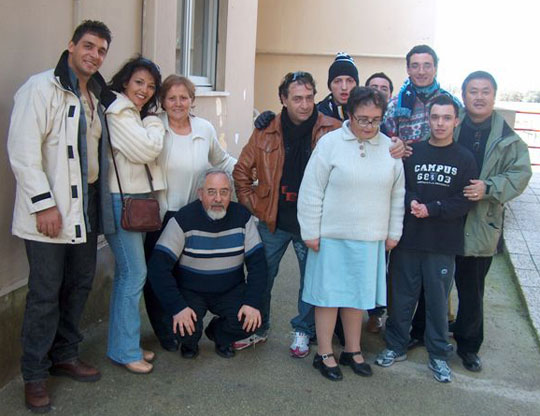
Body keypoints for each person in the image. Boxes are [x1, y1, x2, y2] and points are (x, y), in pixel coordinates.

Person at [7, 20, 114, 412]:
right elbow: (22, 152)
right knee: (44, 294)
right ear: (71, 46)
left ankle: (65, 355)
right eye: (88, 46)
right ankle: (34, 375)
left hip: (86, 206)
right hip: (50, 209)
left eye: (101, 50)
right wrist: (44, 204)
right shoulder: (41, 88)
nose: (94, 55)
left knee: (79, 285)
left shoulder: (98, 95)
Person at [297, 86, 405, 381]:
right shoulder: (330, 143)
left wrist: (393, 232)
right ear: (349, 115)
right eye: (363, 119)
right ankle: (324, 354)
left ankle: (353, 350)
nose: (370, 126)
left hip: (370, 238)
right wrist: (310, 230)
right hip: (330, 236)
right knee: (328, 297)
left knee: (357, 298)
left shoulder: (390, 149)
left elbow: (398, 195)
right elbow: (311, 189)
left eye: (376, 119)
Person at [233, 71, 341, 357]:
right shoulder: (266, 129)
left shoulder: (332, 129)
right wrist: (259, 206)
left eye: (309, 98)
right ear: (283, 99)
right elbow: (241, 172)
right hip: (274, 221)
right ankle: (258, 326)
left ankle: (303, 331)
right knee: (261, 276)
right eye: (297, 99)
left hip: (312, 223)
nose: (304, 105)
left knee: (311, 281)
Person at [375, 95, 477, 383]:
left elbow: (465, 201)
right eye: (435, 117)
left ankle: (438, 355)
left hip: (442, 245)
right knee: (401, 299)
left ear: (456, 121)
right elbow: (400, 187)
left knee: (436, 302)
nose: (440, 123)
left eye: (447, 118)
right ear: (427, 119)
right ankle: (395, 346)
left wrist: (432, 209)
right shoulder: (413, 153)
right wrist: (412, 203)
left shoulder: (465, 158)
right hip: (408, 241)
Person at [143, 75, 236, 352]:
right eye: (171, 98)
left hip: (193, 217)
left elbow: (223, 160)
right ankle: (163, 330)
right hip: (159, 216)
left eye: (183, 98)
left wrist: (247, 173)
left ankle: (183, 326)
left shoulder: (204, 129)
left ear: (192, 101)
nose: (178, 103)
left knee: (186, 276)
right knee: (158, 276)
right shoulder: (154, 126)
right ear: (162, 101)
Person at [452, 71, 532, 372]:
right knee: (435, 283)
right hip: (445, 221)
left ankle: (469, 346)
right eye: (473, 91)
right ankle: (425, 333)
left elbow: (520, 175)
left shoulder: (508, 140)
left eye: (485, 91)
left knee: (472, 289)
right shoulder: (451, 123)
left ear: (494, 96)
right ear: (463, 95)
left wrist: (489, 188)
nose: (479, 96)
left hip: (480, 225)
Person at [383, 45, 461, 347]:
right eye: (415, 65)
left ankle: (425, 332)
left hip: (440, 189)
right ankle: (397, 330)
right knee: (404, 269)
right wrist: (395, 147)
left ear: (436, 67)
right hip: (404, 188)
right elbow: (384, 140)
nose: (421, 71)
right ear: (407, 69)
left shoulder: (450, 104)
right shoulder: (395, 105)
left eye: (427, 65)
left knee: (435, 274)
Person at [146, 169, 267, 359]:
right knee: (180, 326)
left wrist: (252, 303)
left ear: (231, 194)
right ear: (200, 193)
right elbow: (157, 268)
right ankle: (190, 342)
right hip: (191, 290)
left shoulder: (243, 218)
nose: (218, 198)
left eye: (224, 192)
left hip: (230, 289)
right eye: (211, 192)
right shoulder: (183, 219)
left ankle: (219, 335)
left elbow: (258, 265)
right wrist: (178, 307)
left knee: (251, 322)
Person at [104, 56, 164, 374]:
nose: (145, 89)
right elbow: (146, 150)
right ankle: (126, 351)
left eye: (151, 86)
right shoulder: (119, 110)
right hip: (122, 201)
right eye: (139, 82)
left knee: (128, 277)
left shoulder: (132, 113)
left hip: (135, 200)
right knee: (133, 275)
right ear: (126, 81)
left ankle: (123, 344)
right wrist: (154, 123)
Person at [364, 71, 395, 332]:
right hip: (354, 215)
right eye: (373, 87)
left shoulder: (391, 130)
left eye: (384, 88)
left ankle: (376, 313)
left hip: (382, 209)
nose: (378, 91)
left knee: (380, 269)